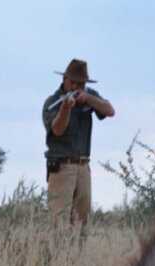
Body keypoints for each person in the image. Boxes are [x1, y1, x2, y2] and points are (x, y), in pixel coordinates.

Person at [42, 59, 115, 227]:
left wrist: (88, 98)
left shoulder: (89, 95)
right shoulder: (52, 102)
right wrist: (66, 108)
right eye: (73, 82)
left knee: (82, 223)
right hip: (61, 167)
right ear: (65, 80)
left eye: (80, 83)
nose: (75, 87)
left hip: (83, 166)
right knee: (59, 225)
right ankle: (59, 253)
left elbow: (109, 110)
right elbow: (58, 130)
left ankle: (78, 253)